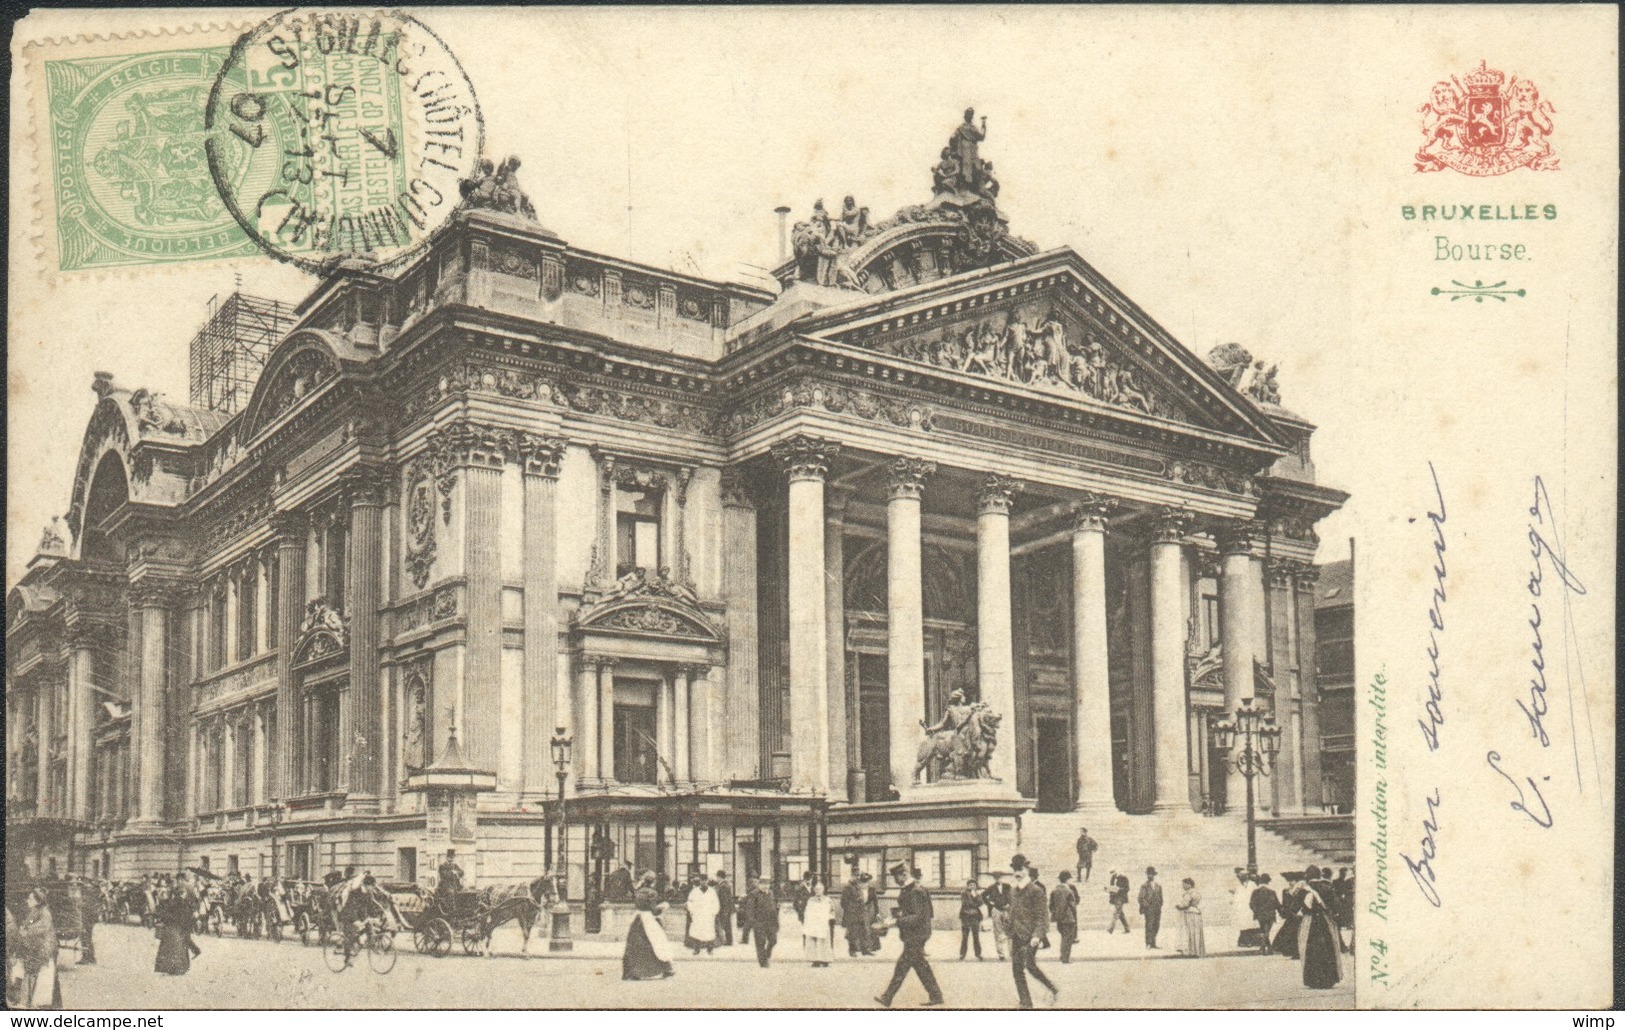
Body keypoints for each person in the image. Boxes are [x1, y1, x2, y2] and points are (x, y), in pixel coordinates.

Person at [875, 864, 942, 1008]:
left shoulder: (915, 890)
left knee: (902, 965)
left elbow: (917, 916)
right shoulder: (909, 889)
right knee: (920, 966)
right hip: (914, 933)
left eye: (896, 877)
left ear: (904, 874)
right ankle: (936, 995)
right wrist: (891, 918)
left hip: (917, 934)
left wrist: (895, 922)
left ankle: (887, 997)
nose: (895, 881)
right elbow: (908, 910)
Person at [1008, 863, 1058, 1008]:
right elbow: (1013, 913)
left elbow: (1043, 916)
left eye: (1020, 869)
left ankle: (1027, 1002)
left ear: (1027, 871)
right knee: (1024, 967)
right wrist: (1009, 933)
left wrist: (1037, 935)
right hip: (1017, 935)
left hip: (1031, 937)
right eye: (1015, 870)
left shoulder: (1036, 890)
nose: (1017, 873)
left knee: (1024, 967)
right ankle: (1035, 997)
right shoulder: (1013, 890)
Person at [1299, 867, 1343, 989]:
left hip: (1310, 921)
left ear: (1307, 877)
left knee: (1311, 949)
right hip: (1325, 921)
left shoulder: (1304, 890)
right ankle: (1329, 979)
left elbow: (1294, 908)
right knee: (1328, 947)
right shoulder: (1327, 888)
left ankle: (1313, 980)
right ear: (1319, 876)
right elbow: (1337, 906)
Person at [17, 890, 61, 1009]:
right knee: (33, 974)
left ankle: (33, 1003)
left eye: (31, 899)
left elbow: (40, 929)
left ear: (38, 901)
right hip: (37, 948)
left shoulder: (44, 913)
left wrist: (25, 931)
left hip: (43, 950)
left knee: (40, 976)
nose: (28, 901)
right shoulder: (35, 911)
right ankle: (30, 1001)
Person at [622, 882, 675, 980]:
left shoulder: (637, 892)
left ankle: (631, 972)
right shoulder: (652, 892)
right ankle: (665, 968)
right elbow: (654, 910)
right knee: (658, 942)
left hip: (637, 918)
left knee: (634, 945)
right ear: (652, 882)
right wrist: (664, 906)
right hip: (648, 919)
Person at [154, 876, 198, 976]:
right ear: (183, 894)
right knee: (180, 947)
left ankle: (167, 968)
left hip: (170, 928)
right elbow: (187, 915)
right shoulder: (184, 901)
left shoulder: (172, 901)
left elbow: (164, 913)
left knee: (168, 949)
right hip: (179, 928)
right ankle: (180, 968)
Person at [738, 876, 779, 968]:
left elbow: (774, 908)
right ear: (759, 884)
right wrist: (753, 922)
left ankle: (767, 954)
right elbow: (750, 910)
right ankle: (763, 962)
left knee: (773, 940)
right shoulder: (754, 894)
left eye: (767, 884)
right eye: (763, 884)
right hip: (759, 922)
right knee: (761, 943)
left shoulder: (770, 894)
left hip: (770, 922)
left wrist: (776, 922)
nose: (765, 886)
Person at [684, 875, 721, 955]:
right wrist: (692, 911)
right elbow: (690, 902)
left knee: (709, 931)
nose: (703, 882)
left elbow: (716, 903)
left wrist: (713, 913)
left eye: (705, 880)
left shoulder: (712, 891)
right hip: (698, 914)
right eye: (702, 880)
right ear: (700, 881)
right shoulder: (695, 891)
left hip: (708, 915)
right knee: (697, 932)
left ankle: (710, 949)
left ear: (707, 881)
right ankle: (696, 949)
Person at [801, 879, 835, 967]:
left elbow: (832, 911)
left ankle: (825, 959)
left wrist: (829, 918)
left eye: (820, 889)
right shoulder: (810, 900)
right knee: (814, 941)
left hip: (823, 923)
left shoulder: (828, 900)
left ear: (823, 890)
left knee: (824, 941)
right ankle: (815, 960)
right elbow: (807, 912)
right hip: (814, 923)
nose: (818, 891)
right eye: (816, 889)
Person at [982, 869, 1013, 960]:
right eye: (996, 877)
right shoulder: (991, 887)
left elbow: (1013, 896)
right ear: (994, 878)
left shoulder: (1008, 886)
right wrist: (990, 904)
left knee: (1010, 931)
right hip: (996, 910)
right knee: (998, 931)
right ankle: (1001, 954)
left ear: (1002, 878)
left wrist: (1009, 904)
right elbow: (983, 896)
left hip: (1007, 910)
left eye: (999, 877)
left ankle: (1011, 953)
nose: (997, 879)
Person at [1050, 871, 1080, 964]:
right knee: (1068, 939)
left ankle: (1063, 956)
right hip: (1068, 918)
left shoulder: (1054, 890)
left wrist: (1056, 914)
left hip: (1059, 918)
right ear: (1067, 880)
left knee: (1063, 937)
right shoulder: (1069, 891)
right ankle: (1065, 958)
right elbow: (1073, 906)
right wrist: (1074, 917)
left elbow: (1051, 905)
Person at [1274, 876, 1305, 959]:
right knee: (1289, 933)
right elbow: (1285, 904)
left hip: (1297, 915)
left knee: (1293, 933)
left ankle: (1295, 952)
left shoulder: (1299, 891)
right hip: (1290, 915)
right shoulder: (1286, 891)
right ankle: (1289, 951)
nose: (1290, 882)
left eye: (1292, 880)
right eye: (1289, 880)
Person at [841, 870, 871, 957]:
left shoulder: (857, 885)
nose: (857, 877)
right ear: (851, 875)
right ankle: (852, 950)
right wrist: (850, 910)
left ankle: (864, 950)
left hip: (860, 912)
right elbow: (843, 902)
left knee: (863, 931)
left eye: (858, 875)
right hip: (852, 914)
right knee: (852, 933)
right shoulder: (848, 886)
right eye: (855, 875)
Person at [1249, 874, 1280, 955]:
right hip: (1270, 914)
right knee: (1267, 931)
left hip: (1260, 915)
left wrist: (1256, 912)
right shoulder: (1272, 892)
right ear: (1268, 881)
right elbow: (1277, 904)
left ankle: (1268, 949)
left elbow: (1251, 904)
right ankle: (1263, 948)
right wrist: (1281, 912)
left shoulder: (1255, 892)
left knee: (1264, 931)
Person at [1176, 878, 1205, 958]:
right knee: (1196, 933)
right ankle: (1197, 951)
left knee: (1190, 933)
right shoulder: (1197, 893)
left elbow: (1185, 905)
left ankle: (1191, 952)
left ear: (1189, 884)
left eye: (1184, 884)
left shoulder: (1188, 894)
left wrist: (1178, 907)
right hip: (1197, 914)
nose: (1183, 886)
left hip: (1190, 914)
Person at [957, 877, 984, 960]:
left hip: (975, 916)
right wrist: (975, 903)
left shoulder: (977, 894)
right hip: (966, 916)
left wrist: (975, 897)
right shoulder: (964, 893)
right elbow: (966, 903)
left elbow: (981, 903)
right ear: (967, 886)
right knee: (965, 936)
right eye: (970, 885)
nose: (972, 886)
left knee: (976, 936)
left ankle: (978, 954)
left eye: (974, 885)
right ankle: (962, 954)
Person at [1137, 866, 1163, 949]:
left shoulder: (1158, 886)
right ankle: (1148, 943)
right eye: (1148, 874)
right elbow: (1141, 898)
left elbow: (1161, 897)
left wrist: (1159, 905)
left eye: (1151, 874)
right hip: (1149, 910)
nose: (1150, 876)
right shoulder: (1144, 886)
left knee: (1156, 926)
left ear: (1154, 875)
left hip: (1157, 909)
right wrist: (1147, 906)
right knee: (1149, 926)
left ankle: (1153, 943)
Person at [1230, 868, 1256, 947]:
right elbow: (1232, 895)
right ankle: (1243, 941)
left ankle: (1246, 941)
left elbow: (1255, 894)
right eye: (1241, 875)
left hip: (1250, 907)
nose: (1243, 877)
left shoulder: (1252, 884)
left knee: (1249, 924)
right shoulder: (1236, 884)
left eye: (1245, 875)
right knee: (1242, 924)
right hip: (1241, 907)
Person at [713, 870, 736, 946]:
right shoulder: (724, 885)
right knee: (727, 924)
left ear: (719, 877)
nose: (716, 878)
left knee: (726, 924)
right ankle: (728, 940)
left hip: (724, 908)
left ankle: (728, 941)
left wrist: (724, 910)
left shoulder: (723, 886)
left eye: (717, 876)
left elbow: (724, 899)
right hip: (726, 908)